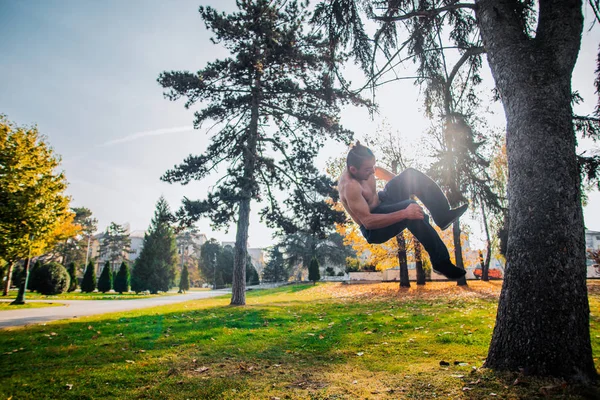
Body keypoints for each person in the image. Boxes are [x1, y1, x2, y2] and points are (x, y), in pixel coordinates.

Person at [338, 141, 468, 280]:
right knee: (410, 209)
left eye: (373, 167)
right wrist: (405, 213)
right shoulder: (350, 186)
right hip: (374, 228)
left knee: (411, 175)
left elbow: (380, 171)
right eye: (368, 170)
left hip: (383, 201)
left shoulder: (365, 167)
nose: (372, 172)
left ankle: (442, 215)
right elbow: (368, 222)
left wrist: (403, 183)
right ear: (353, 170)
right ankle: (440, 262)